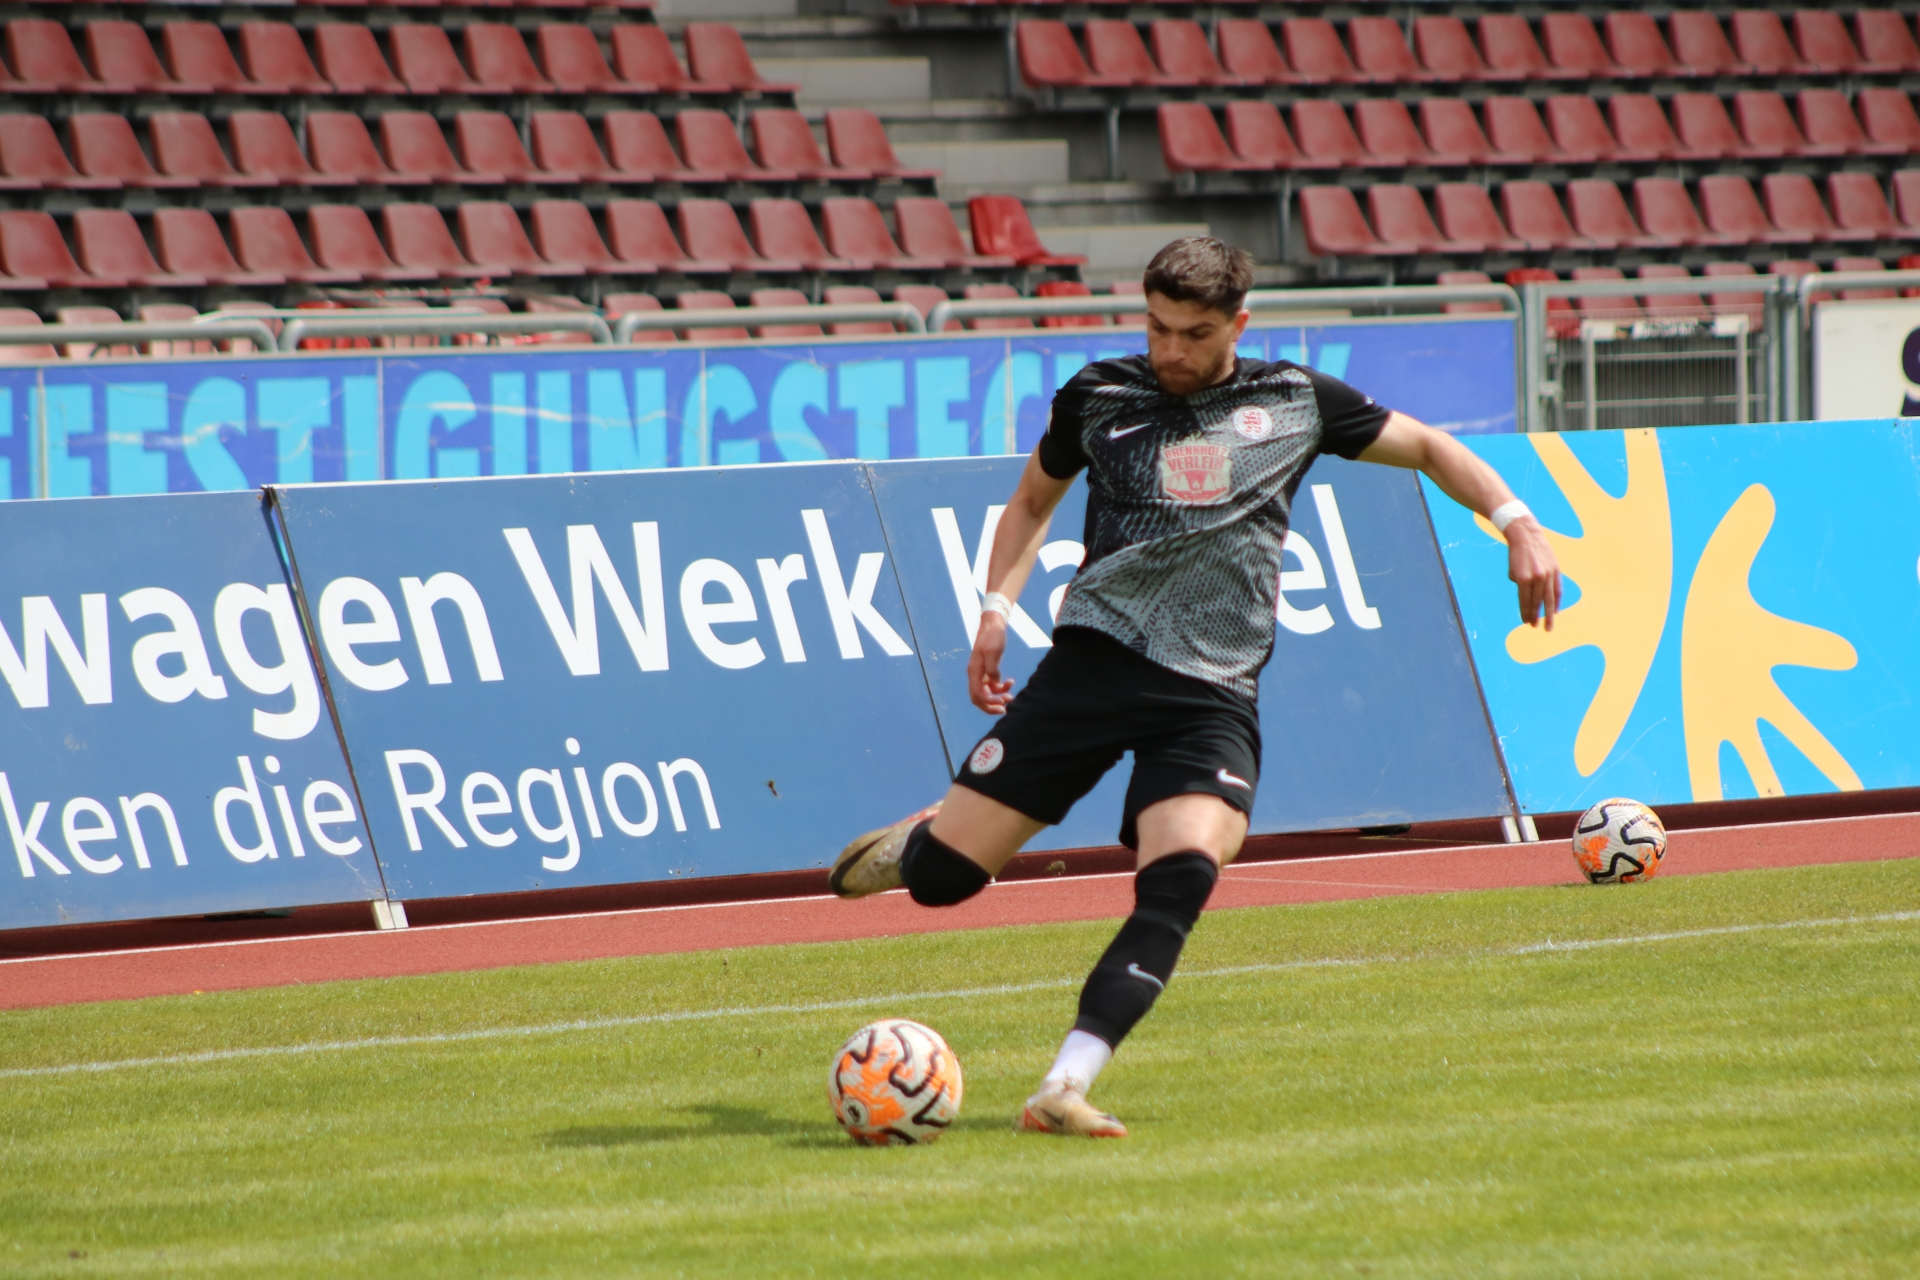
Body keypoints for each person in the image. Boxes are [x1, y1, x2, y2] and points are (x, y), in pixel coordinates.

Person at [830, 237, 1561, 1138]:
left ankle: (1063, 1086)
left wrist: (1517, 523)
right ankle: (922, 842)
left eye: (1195, 333)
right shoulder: (1099, 394)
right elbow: (1030, 502)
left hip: (1209, 696)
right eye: (1157, 328)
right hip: (1092, 665)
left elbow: (1432, 447)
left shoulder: (1292, 400)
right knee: (944, 883)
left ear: (1238, 324)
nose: (1171, 351)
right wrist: (993, 610)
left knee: (1179, 880)